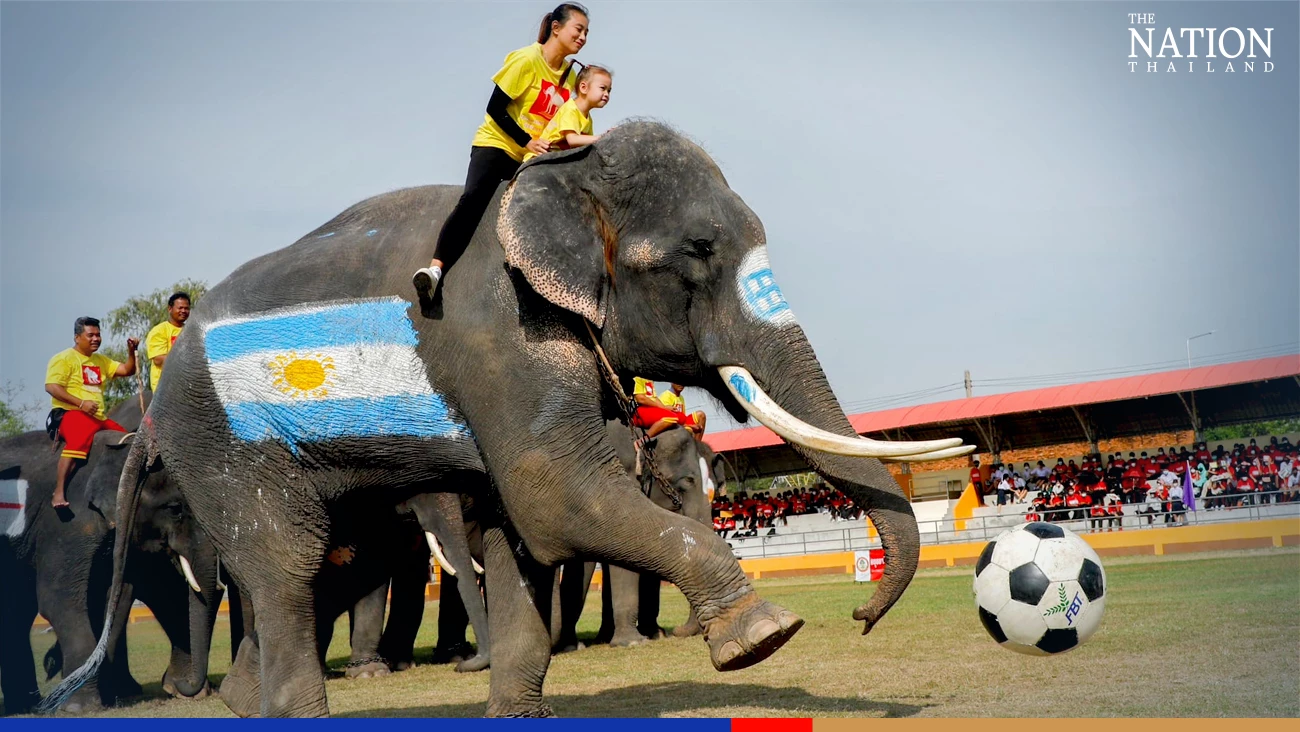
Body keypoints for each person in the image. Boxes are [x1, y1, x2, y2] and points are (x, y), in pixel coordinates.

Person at [413, 3, 590, 300]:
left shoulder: (572, 78)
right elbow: (495, 107)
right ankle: (435, 269)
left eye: (587, 32)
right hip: (499, 144)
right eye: (578, 29)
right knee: (472, 200)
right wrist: (526, 141)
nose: (583, 37)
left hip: (532, 158)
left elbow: (576, 118)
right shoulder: (526, 59)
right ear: (556, 28)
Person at [45, 317, 138, 508]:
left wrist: (131, 351)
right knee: (78, 440)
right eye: (91, 335)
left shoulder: (100, 360)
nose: (96, 339)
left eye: (98, 335)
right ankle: (59, 491)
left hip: (98, 418)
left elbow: (127, 370)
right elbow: (52, 387)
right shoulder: (63, 358)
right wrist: (81, 404)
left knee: (128, 439)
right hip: (71, 413)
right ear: (77, 337)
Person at [522, 64, 611, 162]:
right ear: (583, 87)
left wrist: (607, 136)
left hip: (556, 161)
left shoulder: (587, 118)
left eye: (609, 90)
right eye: (603, 88)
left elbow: (588, 143)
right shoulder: (571, 109)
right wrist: (603, 138)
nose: (606, 94)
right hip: (538, 159)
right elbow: (572, 140)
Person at [145, 291, 191, 392]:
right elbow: (158, 359)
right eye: (180, 308)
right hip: (165, 389)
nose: (183, 311)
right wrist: (190, 361)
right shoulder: (159, 331)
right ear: (170, 309)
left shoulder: (192, 330)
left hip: (187, 387)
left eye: (186, 308)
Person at [630, 376, 701, 439]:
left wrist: (664, 407)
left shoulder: (649, 379)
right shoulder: (638, 377)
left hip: (651, 409)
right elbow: (640, 399)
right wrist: (664, 407)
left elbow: (654, 398)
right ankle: (643, 440)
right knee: (672, 417)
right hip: (640, 411)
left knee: (681, 417)